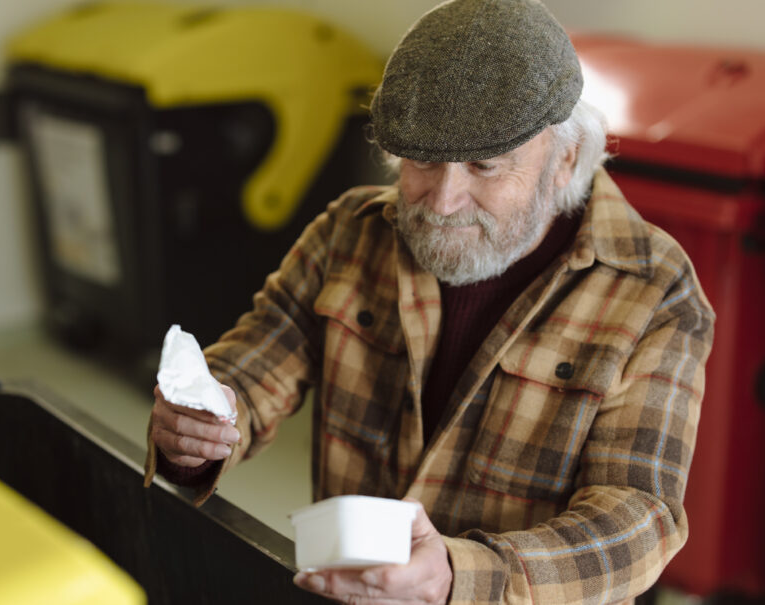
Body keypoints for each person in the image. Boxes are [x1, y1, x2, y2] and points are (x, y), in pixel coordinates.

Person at [144, 0, 715, 602]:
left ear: (564, 156)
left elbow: (639, 518)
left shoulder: (656, 291)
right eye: (421, 161)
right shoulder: (351, 231)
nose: (443, 202)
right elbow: (257, 361)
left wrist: (458, 576)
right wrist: (201, 427)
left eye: (484, 166)